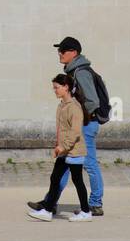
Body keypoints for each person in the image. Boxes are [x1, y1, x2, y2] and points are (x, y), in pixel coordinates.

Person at [39, 36, 104, 216]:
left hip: (86, 125)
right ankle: (49, 202)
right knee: (64, 165)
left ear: (74, 53)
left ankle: (95, 204)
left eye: (63, 51)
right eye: (59, 50)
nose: (59, 53)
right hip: (82, 124)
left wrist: (76, 117)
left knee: (89, 165)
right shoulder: (73, 71)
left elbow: (92, 101)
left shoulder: (81, 72)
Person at [27, 74, 92, 222]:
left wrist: (63, 146)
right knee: (55, 178)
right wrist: (59, 145)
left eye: (57, 88)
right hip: (64, 151)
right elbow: (61, 129)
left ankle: (86, 212)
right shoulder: (62, 106)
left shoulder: (74, 107)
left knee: (77, 181)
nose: (54, 91)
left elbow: (75, 132)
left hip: (74, 151)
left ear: (66, 87)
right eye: (54, 88)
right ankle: (48, 210)